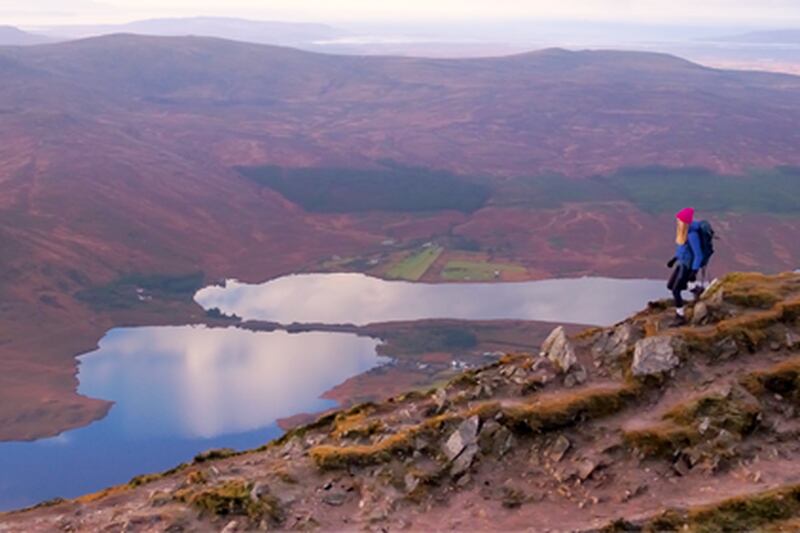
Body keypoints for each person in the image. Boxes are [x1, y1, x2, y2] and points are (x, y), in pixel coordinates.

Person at [667, 207, 703, 326]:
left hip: (687, 266)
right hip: (681, 263)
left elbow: (698, 254)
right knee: (670, 285)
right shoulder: (683, 233)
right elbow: (682, 249)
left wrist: (694, 271)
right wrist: (674, 259)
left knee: (676, 290)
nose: (678, 222)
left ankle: (680, 316)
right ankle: (695, 289)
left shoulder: (692, 235)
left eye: (680, 220)